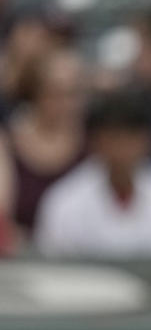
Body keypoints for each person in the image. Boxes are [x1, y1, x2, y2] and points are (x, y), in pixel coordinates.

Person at [34, 87, 151, 260]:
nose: (122, 149)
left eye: (131, 137)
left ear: (150, 141)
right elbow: (53, 266)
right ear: (94, 141)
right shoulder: (65, 200)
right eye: (113, 137)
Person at [8, 49, 88, 234]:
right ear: (34, 93)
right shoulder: (8, 144)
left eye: (74, 94)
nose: (67, 104)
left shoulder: (96, 144)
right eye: (55, 94)